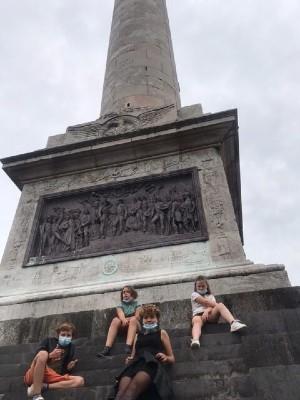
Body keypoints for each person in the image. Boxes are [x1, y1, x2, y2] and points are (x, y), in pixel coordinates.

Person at [113, 304, 175, 400]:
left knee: (130, 393)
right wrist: (130, 358)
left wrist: (166, 357)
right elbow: (133, 355)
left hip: (150, 364)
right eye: (146, 318)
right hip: (134, 365)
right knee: (119, 394)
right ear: (142, 320)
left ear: (157, 319)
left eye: (152, 317)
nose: (149, 320)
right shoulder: (138, 335)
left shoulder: (162, 333)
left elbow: (172, 358)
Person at [24, 322, 84, 400]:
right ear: (58, 334)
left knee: (80, 380)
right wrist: (50, 355)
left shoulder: (71, 348)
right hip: (36, 372)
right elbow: (37, 357)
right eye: (63, 335)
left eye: (68, 335)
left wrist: (68, 368)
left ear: (72, 337)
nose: (65, 337)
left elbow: (63, 370)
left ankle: (44, 386)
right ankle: (36, 394)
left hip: (53, 376)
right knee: (43, 353)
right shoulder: (48, 341)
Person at [191, 276, 247, 348]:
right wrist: (213, 307)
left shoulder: (211, 296)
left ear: (206, 286)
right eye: (199, 286)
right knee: (196, 321)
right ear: (195, 287)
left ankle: (233, 323)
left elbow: (212, 306)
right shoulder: (194, 294)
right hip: (198, 315)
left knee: (220, 305)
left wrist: (207, 311)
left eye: (203, 286)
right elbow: (206, 302)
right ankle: (195, 340)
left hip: (210, 315)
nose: (201, 288)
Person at [97, 286, 140, 357]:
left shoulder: (137, 304)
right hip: (124, 325)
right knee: (115, 320)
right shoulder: (120, 305)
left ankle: (128, 346)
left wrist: (127, 320)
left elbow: (137, 316)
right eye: (123, 292)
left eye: (128, 292)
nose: (125, 294)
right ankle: (107, 348)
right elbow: (121, 315)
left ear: (132, 294)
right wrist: (123, 320)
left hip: (135, 326)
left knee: (133, 320)